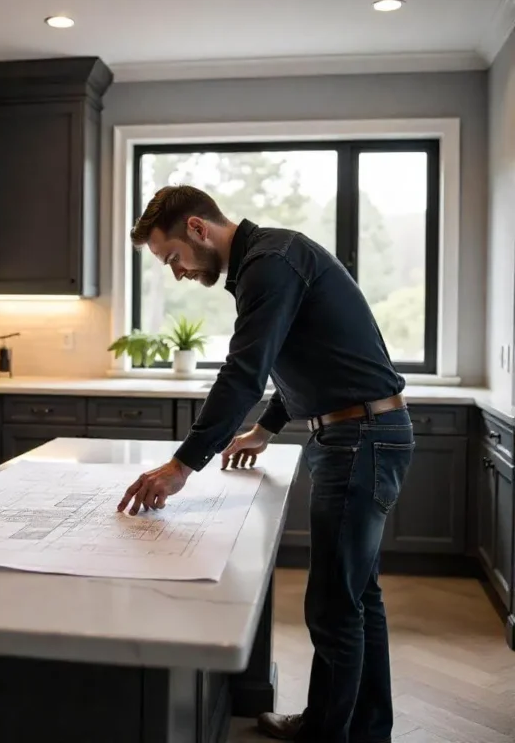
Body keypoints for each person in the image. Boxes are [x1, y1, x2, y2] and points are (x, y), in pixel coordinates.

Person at [116, 185, 415, 743]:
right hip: (364, 432)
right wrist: (265, 428)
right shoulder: (273, 257)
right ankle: (362, 730)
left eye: (172, 257)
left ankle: (328, 734)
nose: (176, 272)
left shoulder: (268, 265)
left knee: (334, 605)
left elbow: (245, 371)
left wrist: (182, 465)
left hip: (361, 438)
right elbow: (304, 354)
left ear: (199, 229)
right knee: (355, 598)